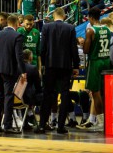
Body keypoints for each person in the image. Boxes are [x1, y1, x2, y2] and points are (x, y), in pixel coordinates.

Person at [36, 7, 80, 135]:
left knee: (47, 94)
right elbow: (74, 49)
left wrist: (44, 64)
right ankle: (61, 126)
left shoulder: (46, 27)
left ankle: (42, 125)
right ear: (64, 16)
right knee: (65, 94)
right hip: (65, 66)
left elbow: (42, 48)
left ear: (54, 16)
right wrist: (76, 66)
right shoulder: (70, 28)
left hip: (50, 65)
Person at [0, 14, 25, 133]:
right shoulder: (17, 35)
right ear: (17, 23)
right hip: (9, 70)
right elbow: (19, 55)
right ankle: (7, 126)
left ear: (8, 23)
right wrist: (23, 71)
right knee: (8, 97)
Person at [77, 8, 111, 131]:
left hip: (95, 62)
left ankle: (101, 122)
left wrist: (83, 45)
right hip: (106, 60)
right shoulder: (107, 29)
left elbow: (86, 50)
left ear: (90, 17)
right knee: (103, 92)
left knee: (95, 93)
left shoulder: (91, 30)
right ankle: (105, 120)